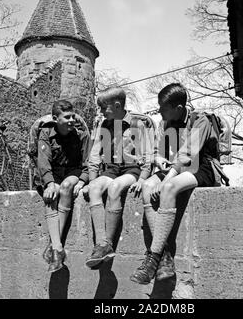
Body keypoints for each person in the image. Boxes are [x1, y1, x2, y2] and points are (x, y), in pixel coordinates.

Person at [130, 83, 221, 284]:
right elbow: (159, 151)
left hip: (201, 166)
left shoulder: (200, 119)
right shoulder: (166, 124)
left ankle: (153, 257)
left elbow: (189, 153)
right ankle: (165, 258)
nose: (159, 111)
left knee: (169, 188)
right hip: (176, 167)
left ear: (178, 108)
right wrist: (157, 159)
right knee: (147, 187)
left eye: (163, 107)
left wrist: (167, 178)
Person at [85, 87, 153, 269]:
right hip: (111, 169)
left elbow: (147, 155)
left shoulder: (137, 124)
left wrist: (142, 179)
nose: (100, 112)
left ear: (116, 106)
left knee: (115, 188)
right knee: (94, 189)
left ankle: (108, 242)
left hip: (132, 170)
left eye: (103, 108)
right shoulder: (103, 125)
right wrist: (92, 180)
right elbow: (94, 155)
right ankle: (102, 244)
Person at [37, 99, 90, 272]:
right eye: (66, 117)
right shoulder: (45, 132)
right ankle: (58, 249)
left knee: (66, 186)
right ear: (55, 118)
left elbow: (88, 162)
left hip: (73, 172)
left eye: (72, 116)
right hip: (53, 174)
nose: (71, 120)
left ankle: (54, 247)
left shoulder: (81, 134)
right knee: (52, 193)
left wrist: (82, 180)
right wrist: (50, 183)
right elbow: (43, 162)